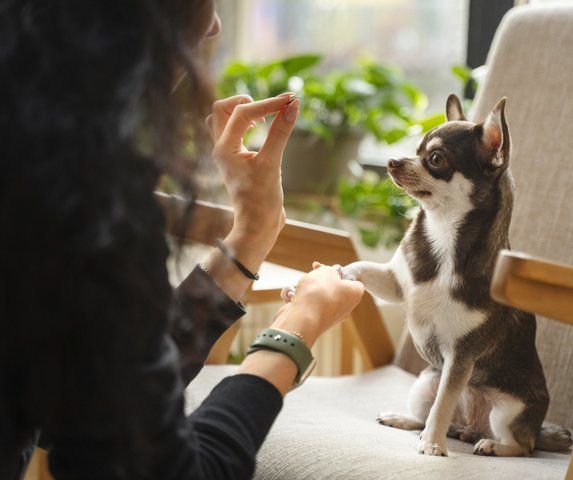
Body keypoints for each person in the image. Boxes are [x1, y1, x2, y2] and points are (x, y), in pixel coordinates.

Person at [0, 0, 365, 478]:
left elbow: (102, 397)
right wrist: (297, 328)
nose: (213, 23)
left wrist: (250, 237)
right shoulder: (74, 195)